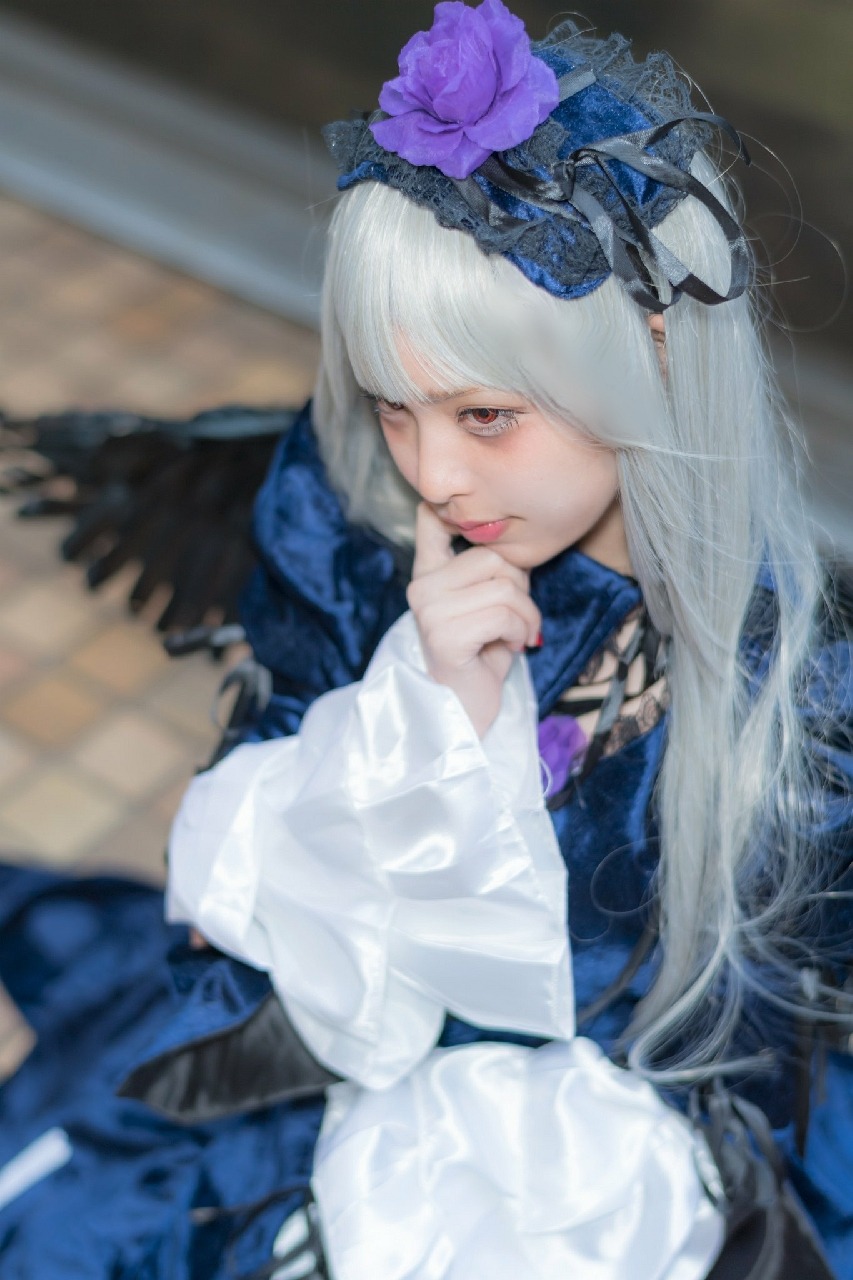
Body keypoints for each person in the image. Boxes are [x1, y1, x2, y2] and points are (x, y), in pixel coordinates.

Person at [0, 4, 851, 1277]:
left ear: (655, 352)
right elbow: (270, 843)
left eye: (488, 412)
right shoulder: (353, 520)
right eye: (396, 406)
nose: (436, 472)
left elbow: (771, 1014)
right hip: (333, 1032)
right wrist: (424, 711)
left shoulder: (811, 682)